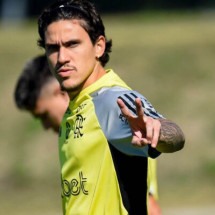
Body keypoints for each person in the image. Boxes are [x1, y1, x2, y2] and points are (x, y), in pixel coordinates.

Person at [37, 0, 185, 214]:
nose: (62, 58)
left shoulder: (111, 100)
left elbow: (176, 136)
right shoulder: (76, 107)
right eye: (53, 48)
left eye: (72, 44)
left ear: (99, 46)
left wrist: (158, 131)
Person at [14, 54, 161, 214]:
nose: (45, 126)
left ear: (60, 92)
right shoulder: (73, 137)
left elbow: (149, 205)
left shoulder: (113, 123)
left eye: (44, 115)